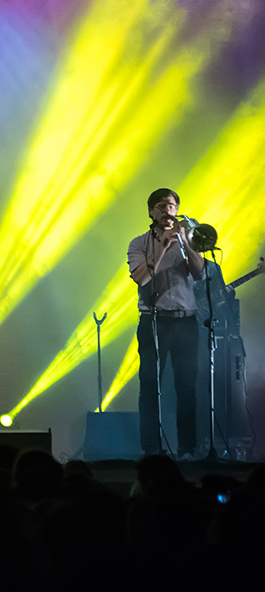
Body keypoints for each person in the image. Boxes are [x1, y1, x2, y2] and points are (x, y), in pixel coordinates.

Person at [127, 188, 206, 457]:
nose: (167, 211)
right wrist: (162, 246)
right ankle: (152, 450)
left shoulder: (187, 239)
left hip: (186, 321)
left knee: (187, 387)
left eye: (171, 206)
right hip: (154, 322)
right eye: (161, 207)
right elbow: (141, 278)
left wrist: (185, 241)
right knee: (150, 386)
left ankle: (188, 449)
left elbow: (200, 273)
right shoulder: (139, 244)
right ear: (151, 212)